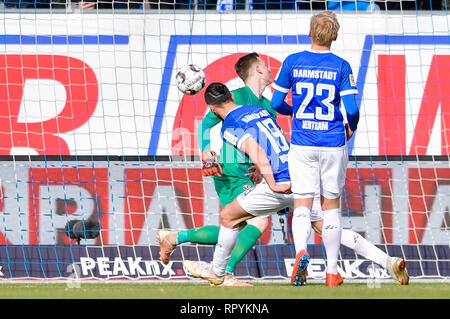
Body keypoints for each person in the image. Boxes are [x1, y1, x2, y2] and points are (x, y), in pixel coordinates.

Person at [182, 82, 409, 286]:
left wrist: (271, 181)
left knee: (228, 216)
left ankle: (218, 272)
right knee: (327, 228)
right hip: (302, 173)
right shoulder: (259, 110)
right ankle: (388, 261)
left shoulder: (229, 126)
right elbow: (275, 141)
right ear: (231, 95)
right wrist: (262, 170)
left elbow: (256, 150)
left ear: (212, 109)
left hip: (280, 182)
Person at [158, 52, 292, 287]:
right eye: (264, 65)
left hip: (249, 169)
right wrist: (206, 151)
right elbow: (205, 125)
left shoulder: (269, 106)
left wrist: (261, 169)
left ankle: (174, 238)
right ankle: (224, 274)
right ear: (258, 69)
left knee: (236, 223)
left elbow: (264, 141)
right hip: (228, 166)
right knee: (256, 222)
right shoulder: (236, 95)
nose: (269, 69)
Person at [271, 10, 360, 287]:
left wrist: (295, 110)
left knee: (302, 204)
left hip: (302, 142)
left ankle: (301, 253)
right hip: (333, 142)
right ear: (335, 36)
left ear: (310, 33)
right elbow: (353, 109)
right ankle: (332, 272)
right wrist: (350, 127)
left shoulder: (293, 61)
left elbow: (275, 103)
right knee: (331, 207)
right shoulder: (341, 66)